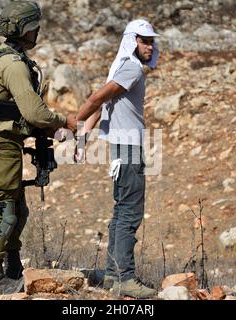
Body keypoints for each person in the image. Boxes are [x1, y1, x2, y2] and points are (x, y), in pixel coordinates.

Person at [0, 1, 77, 294]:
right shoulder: (14, 65)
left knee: (17, 208)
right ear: (24, 29)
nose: (37, 32)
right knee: (2, 209)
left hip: (4, 143)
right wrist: (63, 121)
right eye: (34, 27)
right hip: (0, 144)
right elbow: (34, 113)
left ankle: (13, 267)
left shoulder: (5, 58)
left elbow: (15, 112)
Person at [75, 19, 160, 299]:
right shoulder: (131, 69)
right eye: (143, 40)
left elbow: (104, 103)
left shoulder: (125, 68)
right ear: (131, 41)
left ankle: (113, 275)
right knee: (130, 212)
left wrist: (84, 134)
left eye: (151, 41)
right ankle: (125, 277)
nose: (149, 45)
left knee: (121, 210)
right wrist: (77, 123)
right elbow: (97, 98)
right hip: (128, 148)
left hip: (121, 148)